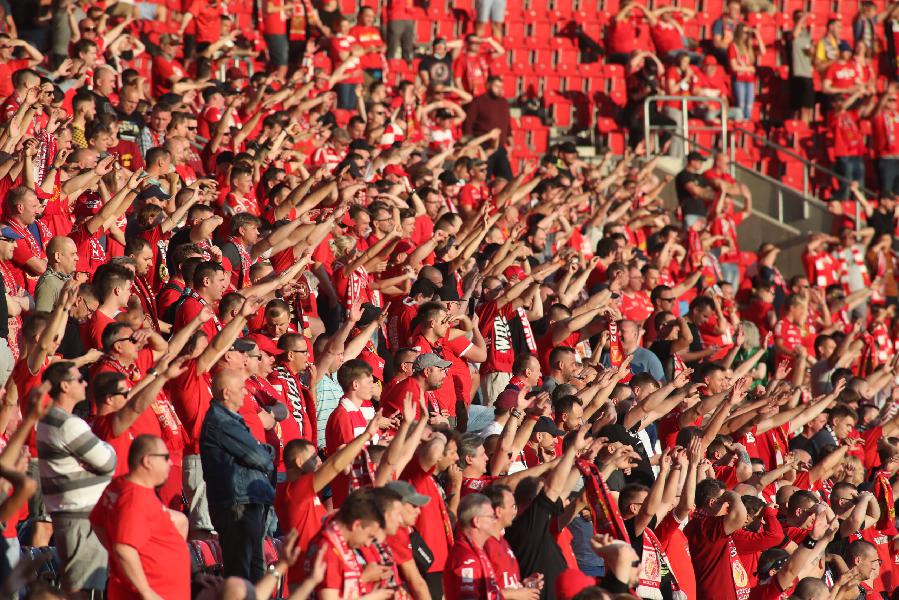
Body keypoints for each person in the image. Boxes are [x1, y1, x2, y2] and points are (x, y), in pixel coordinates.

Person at [37, 362, 116, 596]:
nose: (85, 383)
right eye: (79, 379)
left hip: (76, 515)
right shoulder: (67, 424)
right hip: (81, 517)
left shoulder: (53, 419)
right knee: (83, 590)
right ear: (64, 386)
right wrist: (106, 450)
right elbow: (108, 461)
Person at [90, 434, 191, 600]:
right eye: (165, 458)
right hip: (150, 594)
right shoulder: (135, 498)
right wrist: (146, 591)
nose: (170, 463)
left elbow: (97, 521)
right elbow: (123, 548)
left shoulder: (121, 485)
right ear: (147, 461)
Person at [200, 368, 275, 582]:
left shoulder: (230, 420)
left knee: (255, 570)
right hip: (237, 505)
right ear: (226, 393)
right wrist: (263, 451)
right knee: (242, 573)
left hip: (246, 502)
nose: (245, 393)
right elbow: (261, 458)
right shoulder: (221, 422)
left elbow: (260, 453)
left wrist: (262, 451)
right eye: (241, 388)